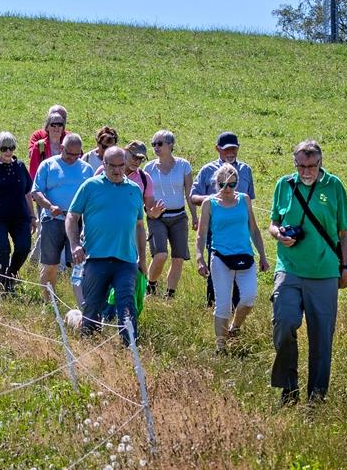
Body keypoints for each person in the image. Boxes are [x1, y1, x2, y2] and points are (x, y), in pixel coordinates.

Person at [268, 140, 347, 406]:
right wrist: (278, 234)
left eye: (312, 166)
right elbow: (273, 223)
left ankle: (316, 396)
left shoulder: (334, 186)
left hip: (324, 272)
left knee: (321, 337)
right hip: (289, 269)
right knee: (283, 323)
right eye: (301, 166)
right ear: (295, 164)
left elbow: (344, 232)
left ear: (320, 163)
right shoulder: (284, 185)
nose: (306, 172)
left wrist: (346, 266)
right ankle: (288, 388)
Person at [66, 146, 147, 341]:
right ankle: (88, 346)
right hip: (96, 258)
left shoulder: (134, 190)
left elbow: (139, 226)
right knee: (93, 308)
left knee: (127, 306)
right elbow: (72, 216)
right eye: (113, 166)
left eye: (121, 165)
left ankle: (130, 348)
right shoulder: (90, 186)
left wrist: (142, 260)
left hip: (126, 260)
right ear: (104, 164)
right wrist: (75, 245)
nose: (118, 170)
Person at [195, 163, 269, 353]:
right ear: (216, 184)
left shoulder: (244, 200)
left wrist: (263, 255)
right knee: (223, 305)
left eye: (231, 185)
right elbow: (202, 233)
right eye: (222, 185)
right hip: (220, 257)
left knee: (249, 298)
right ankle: (221, 346)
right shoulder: (209, 203)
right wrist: (200, 258)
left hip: (245, 256)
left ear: (237, 184)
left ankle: (234, 327)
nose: (227, 189)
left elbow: (253, 228)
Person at [191, 131, 256, 307]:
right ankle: (214, 307)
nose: (231, 153)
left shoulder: (245, 170)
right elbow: (193, 196)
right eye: (226, 149)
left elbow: (249, 200)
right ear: (217, 149)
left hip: (239, 231)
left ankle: (235, 309)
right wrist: (213, 201)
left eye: (234, 149)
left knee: (239, 270)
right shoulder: (207, 170)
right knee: (217, 271)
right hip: (215, 228)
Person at [31, 133, 95, 295]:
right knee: (50, 265)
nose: (73, 158)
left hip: (77, 223)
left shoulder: (86, 169)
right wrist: (50, 206)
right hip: (53, 220)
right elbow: (36, 192)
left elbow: (92, 196)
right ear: (61, 148)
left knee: (79, 265)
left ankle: (83, 304)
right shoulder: (47, 165)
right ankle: (48, 301)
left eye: (77, 154)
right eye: (69, 153)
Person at [0, 132, 36, 294]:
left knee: (24, 247)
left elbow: (27, 193)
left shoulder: (21, 167)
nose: (8, 152)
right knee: (2, 248)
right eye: (4, 148)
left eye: (11, 148)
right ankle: (2, 283)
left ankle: (11, 274)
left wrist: (33, 216)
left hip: (20, 216)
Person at [144, 130, 196, 299]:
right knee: (160, 255)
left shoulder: (183, 165)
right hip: (156, 217)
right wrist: (150, 212)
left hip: (179, 216)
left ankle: (170, 296)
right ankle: (150, 285)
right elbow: (144, 195)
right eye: (153, 144)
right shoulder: (148, 168)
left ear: (171, 145)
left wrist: (195, 216)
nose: (156, 148)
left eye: (159, 144)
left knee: (178, 258)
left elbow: (189, 193)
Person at [28, 110, 68, 181]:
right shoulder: (39, 146)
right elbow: (33, 173)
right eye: (53, 125)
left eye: (60, 125)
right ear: (47, 127)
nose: (56, 128)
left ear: (63, 128)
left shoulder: (67, 146)